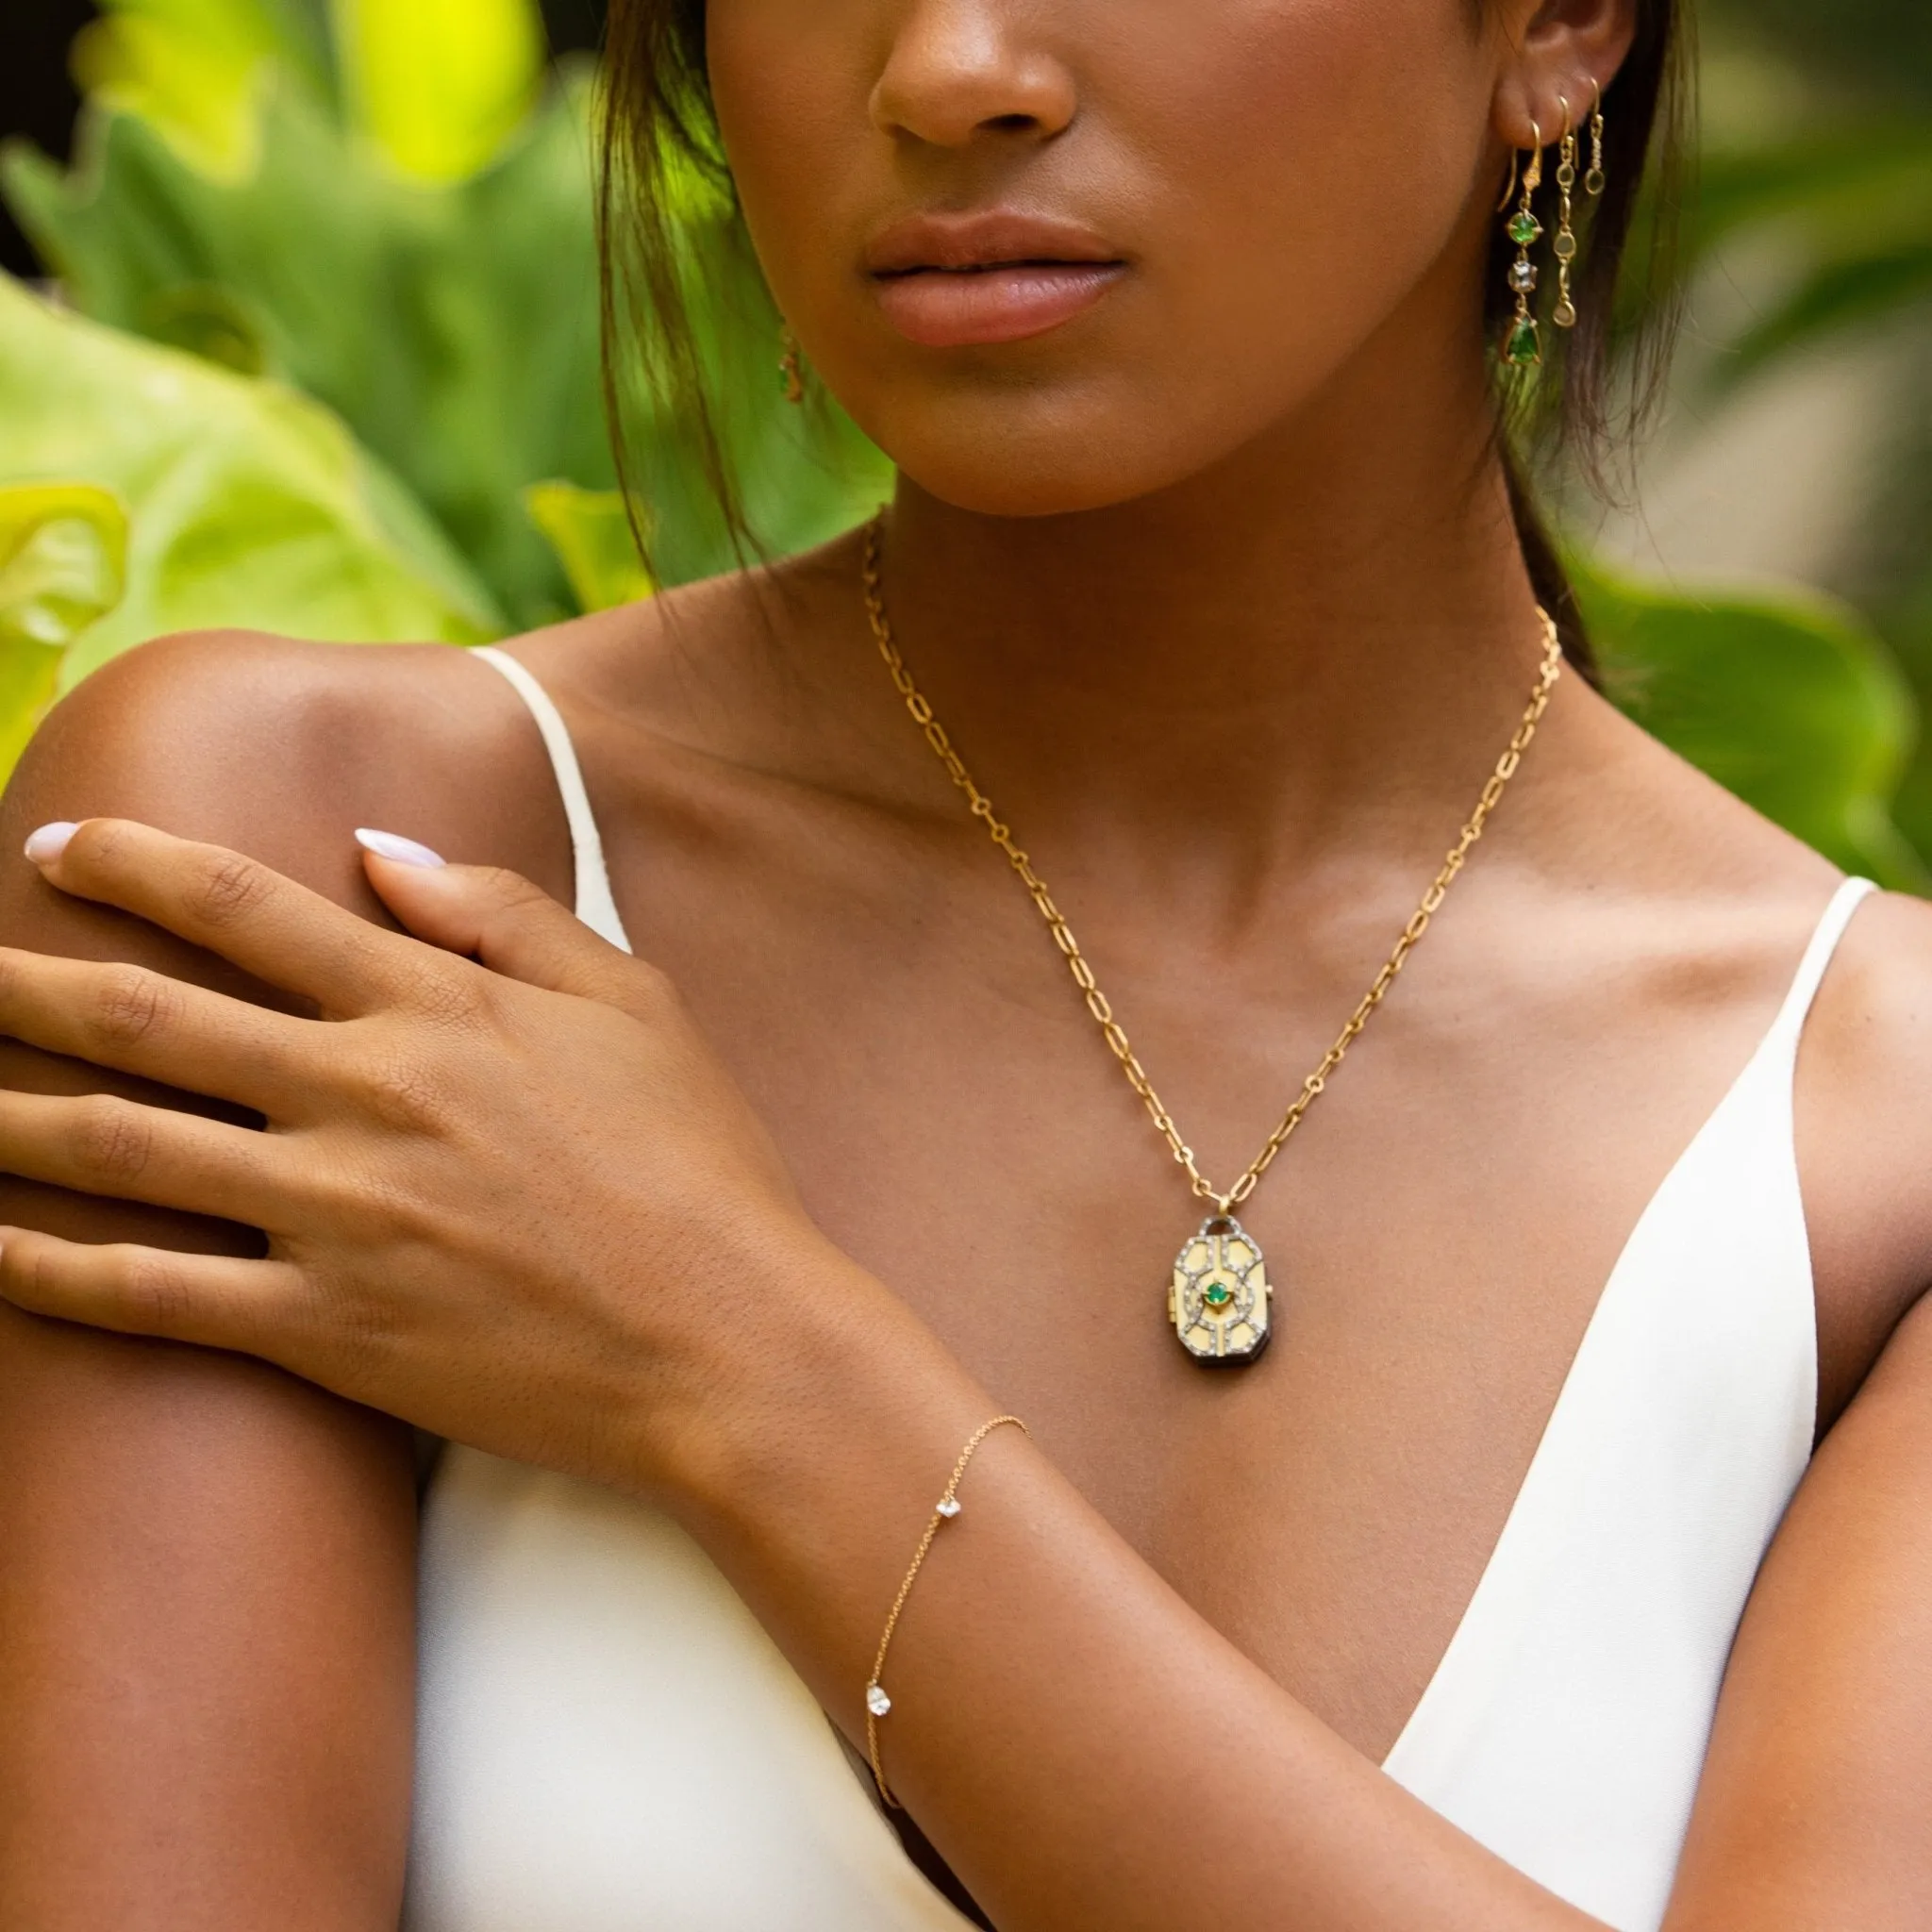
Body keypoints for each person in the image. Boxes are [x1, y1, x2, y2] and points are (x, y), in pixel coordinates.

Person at [2, 0, 1930, 1926]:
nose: (946, 71)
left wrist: (737, 1351)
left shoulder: (1875, 1147)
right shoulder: (319, 877)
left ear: (1554, 23)